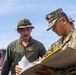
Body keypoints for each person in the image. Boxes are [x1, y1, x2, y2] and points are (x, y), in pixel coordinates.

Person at [34, 8, 76, 75]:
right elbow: (42, 62)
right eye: (52, 28)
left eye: (54, 26)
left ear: (63, 20)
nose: (53, 30)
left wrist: (55, 73)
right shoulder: (54, 46)